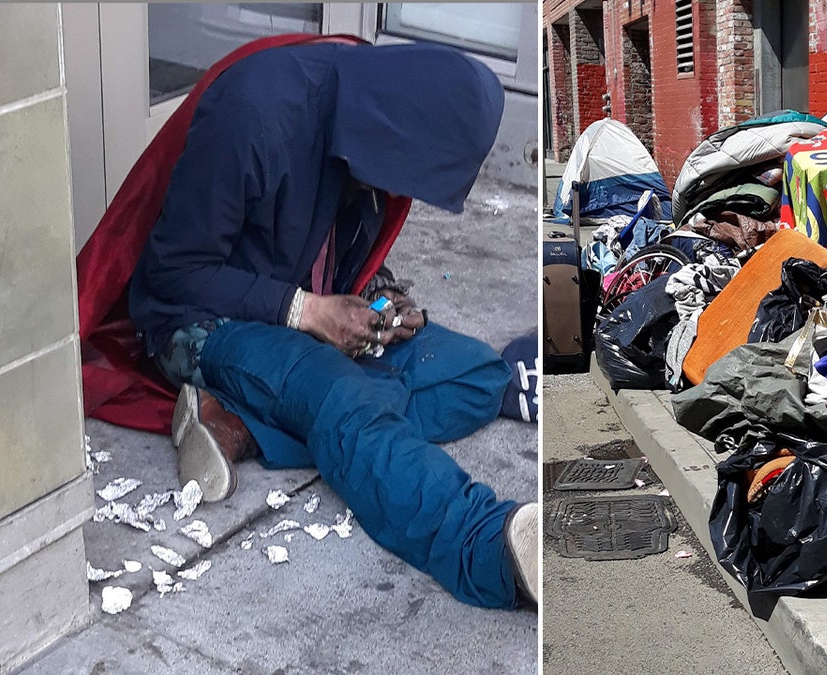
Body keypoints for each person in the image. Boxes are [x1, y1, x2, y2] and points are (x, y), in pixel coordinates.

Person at [125, 39, 537, 609]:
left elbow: (332, 231)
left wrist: (380, 296)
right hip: (202, 323)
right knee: (343, 397)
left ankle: (242, 425)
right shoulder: (253, 114)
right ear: (395, 130)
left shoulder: (370, 111)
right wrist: (308, 312)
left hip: (297, 314)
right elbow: (172, 274)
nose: (401, 195)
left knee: (473, 375)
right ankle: (488, 547)